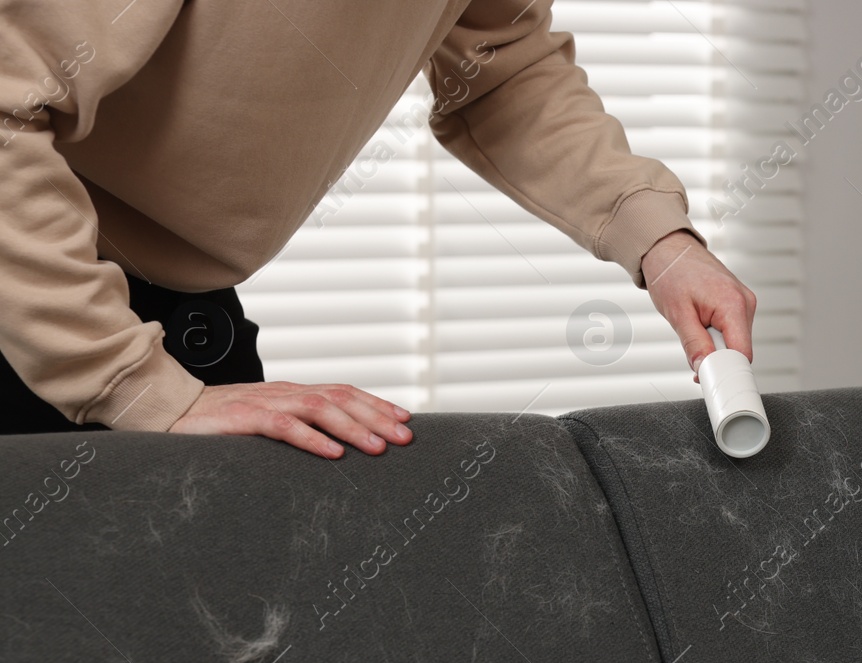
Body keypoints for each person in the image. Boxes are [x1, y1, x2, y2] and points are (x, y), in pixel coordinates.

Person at [0, 0, 756, 457]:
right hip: (34, 290)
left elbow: (502, 68)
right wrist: (134, 386)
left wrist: (660, 241)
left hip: (176, 310)